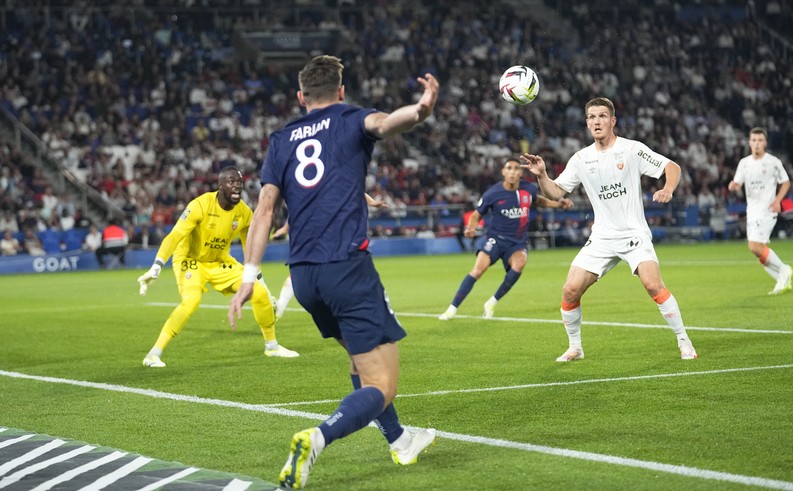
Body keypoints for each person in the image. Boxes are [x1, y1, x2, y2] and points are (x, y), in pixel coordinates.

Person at [228, 55, 439, 489]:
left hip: (304, 276)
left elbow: (266, 207)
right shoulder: (351, 118)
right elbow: (388, 123)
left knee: (359, 360)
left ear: (301, 96)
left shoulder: (282, 138)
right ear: (340, 92)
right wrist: (422, 108)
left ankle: (400, 440)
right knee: (382, 384)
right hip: (347, 268)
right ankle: (317, 437)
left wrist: (249, 276)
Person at [521, 97, 698, 362]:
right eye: (591, 117)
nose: (596, 121)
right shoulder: (581, 158)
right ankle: (575, 347)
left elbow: (672, 167)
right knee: (570, 290)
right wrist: (541, 175)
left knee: (652, 285)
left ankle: (684, 341)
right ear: (586, 123)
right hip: (602, 236)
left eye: (602, 116)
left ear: (612, 121)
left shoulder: (631, 149)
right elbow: (556, 192)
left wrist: (667, 188)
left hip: (633, 233)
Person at [137, 166, 299, 368]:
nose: (237, 187)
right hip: (191, 260)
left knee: (259, 294)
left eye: (239, 183)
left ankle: (272, 346)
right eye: (231, 182)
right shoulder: (200, 205)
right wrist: (157, 266)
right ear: (220, 185)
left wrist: (261, 282)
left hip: (220, 261)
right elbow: (175, 236)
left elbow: (251, 251)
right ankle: (154, 353)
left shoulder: (243, 212)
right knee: (192, 301)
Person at [438, 158, 573, 320]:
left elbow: (537, 201)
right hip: (495, 238)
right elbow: (475, 215)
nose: (513, 172)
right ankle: (452, 309)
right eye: (509, 168)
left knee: (519, 264)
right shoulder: (492, 193)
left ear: (520, 173)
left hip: (516, 242)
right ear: (503, 172)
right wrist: (471, 228)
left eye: (516, 168)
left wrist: (558, 204)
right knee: (478, 270)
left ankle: (491, 302)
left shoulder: (528, 189)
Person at [273, 193, 388, 320]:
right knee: (302, 273)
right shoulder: (315, 193)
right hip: (318, 238)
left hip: (331, 239)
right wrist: (285, 229)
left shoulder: (329, 187)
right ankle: (280, 308)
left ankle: (281, 308)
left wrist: (371, 202)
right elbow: (297, 212)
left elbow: (354, 189)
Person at [727, 127, 792, 295]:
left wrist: (778, 200)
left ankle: (784, 270)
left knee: (754, 246)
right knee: (759, 251)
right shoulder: (744, 163)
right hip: (752, 210)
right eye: (754, 140)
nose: (756, 143)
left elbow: (785, 182)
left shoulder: (773, 162)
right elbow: (737, 183)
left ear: (765, 143)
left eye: (760, 140)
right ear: (749, 142)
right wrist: (734, 186)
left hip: (767, 209)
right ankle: (782, 279)